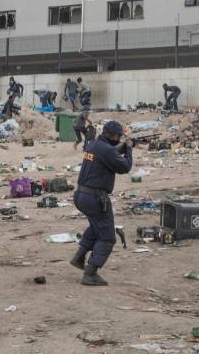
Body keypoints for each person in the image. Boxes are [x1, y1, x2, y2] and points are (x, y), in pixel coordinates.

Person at [70, 121, 133, 286]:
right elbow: (125, 167)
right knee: (107, 236)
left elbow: (108, 154)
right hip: (94, 198)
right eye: (118, 136)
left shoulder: (94, 144)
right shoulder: (106, 150)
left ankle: (79, 257)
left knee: (96, 227)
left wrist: (121, 148)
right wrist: (129, 150)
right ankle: (90, 273)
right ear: (112, 135)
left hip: (81, 195)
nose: (119, 138)